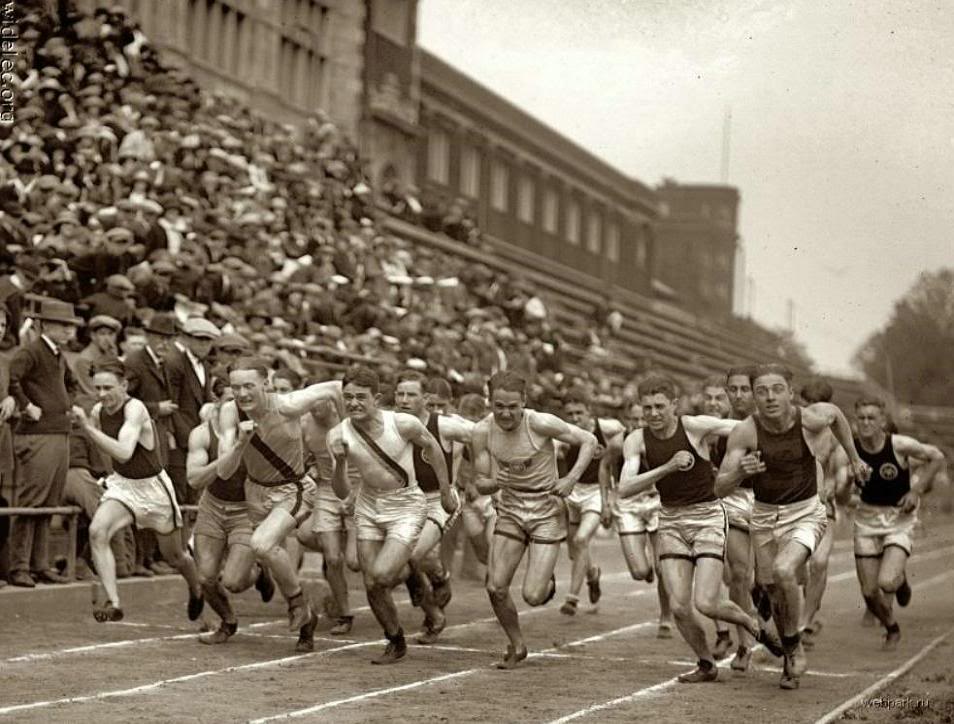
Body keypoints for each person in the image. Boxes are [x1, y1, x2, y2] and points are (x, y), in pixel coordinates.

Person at [618, 374, 779, 684]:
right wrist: (667, 467)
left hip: (707, 518)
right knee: (679, 607)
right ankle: (706, 663)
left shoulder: (694, 426)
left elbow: (742, 428)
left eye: (660, 406)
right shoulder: (636, 440)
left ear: (674, 405)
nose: (653, 414)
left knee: (706, 602)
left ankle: (750, 624)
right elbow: (625, 488)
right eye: (647, 408)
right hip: (671, 521)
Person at [716, 363, 868, 690]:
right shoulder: (745, 432)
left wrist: (854, 458)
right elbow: (719, 488)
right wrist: (741, 471)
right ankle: (788, 649)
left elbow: (836, 415)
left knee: (785, 571)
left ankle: (794, 645)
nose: (770, 397)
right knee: (772, 590)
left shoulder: (809, 419)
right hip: (764, 516)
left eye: (777, 390)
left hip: (805, 512)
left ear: (790, 392)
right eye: (762, 391)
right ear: (754, 396)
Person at [326, 365, 456, 664]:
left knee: (382, 576)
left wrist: (446, 491)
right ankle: (395, 639)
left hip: (406, 505)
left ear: (376, 398)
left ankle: (416, 579)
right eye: (348, 397)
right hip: (369, 506)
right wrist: (340, 461)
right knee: (371, 582)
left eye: (361, 397)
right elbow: (342, 491)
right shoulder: (338, 434)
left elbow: (433, 448)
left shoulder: (402, 424)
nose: (354, 403)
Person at [471, 370, 598, 669]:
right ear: (490, 402)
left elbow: (589, 441)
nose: (505, 413)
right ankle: (517, 645)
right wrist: (495, 483)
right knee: (495, 587)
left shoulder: (540, 423)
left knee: (533, 595)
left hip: (546, 510)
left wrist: (570, 479)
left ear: (524, 402)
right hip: (511, 509)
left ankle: (545, 578)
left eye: (512, 406)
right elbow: (480, 482)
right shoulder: (482, 431)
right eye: (499, 406)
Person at [216, 357, 342, 652]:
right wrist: (240, 443)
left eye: (249, 386)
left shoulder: (288, 405)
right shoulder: (229, 412)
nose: (243, 393)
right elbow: (223, 470)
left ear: (266, 384)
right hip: (255, 493)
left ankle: (297, 603)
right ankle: (306, 617)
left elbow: (336, 387)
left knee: (262, 544)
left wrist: (346, 430)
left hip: (292, 489)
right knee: (233, 582)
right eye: (236, 387)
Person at [71, 358, 203, 621]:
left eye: (108, 388)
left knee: (175, 556)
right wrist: (110, 476)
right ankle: (113, 602)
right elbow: (107, 450)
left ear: (124, 385)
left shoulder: (136, 409)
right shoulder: (97, 411)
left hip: (153, 488)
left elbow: (123, 451)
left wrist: (86, 428)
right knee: (98, 531)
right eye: (97, 388)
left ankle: (196, 588)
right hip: (124, 486)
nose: (102, 394)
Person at [838, 396, 944, 650]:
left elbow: (937, 457)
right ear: (855, 421)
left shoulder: (899, 445)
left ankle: (898, 579)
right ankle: (891, 627)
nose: (865, 423)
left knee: (886, 582)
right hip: (866, 520)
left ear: (882, 421)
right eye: (861, 418)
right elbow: (841, 499)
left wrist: (916, 490)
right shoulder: (849, 451)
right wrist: (848, 480)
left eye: (871, 418)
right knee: (868, 592)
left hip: (898, 519)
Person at [187, 379, 274, 645]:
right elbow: (194, 479)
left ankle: (259, 571)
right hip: (212, 506)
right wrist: (232, 453)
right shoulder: (202, 434)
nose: (236, 407)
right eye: (230, 400)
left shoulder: (262, 431)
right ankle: (228, 621)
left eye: (242, 400)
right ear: (216, 403)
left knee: (233, 582)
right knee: (205, 577)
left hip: (246, 510)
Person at [7, 299, 82, 587]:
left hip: (57, 432)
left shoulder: (56, 353)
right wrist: (27, 406)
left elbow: (72, 384)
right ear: (44, 325)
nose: (67, 330)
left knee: (48, 503)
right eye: (61, 325)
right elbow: (12, 378)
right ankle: (19, 566)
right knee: (32, 502)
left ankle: (39, 564)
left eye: (69, 325)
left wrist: (66, 404)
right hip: (37, 435)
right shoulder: (32, 351)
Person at [393, 370, 471, 644]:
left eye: (411, 394)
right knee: (414, 560)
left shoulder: (446, 426)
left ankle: (433, 615)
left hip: (440, 499)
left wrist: (491, 473)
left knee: (411, 556)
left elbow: (485, 435)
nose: (404, 400)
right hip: (405, 501)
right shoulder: (391, 423)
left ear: (424, 398)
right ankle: (440, 577)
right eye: (400, 394)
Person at [603, 399, 673, 638]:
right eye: (634, 419)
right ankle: (646, 569)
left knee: (663, 567)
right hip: (629, 504)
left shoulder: (663, 438)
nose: (639, 423)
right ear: (626, 420)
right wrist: (606, 500)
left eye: (642, 419)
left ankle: (666, 617)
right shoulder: (618, 442)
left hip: (657, 501)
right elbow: (605, 467)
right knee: (639, 572)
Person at [557, 387, 623, 616]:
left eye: (579, 413)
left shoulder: (606, 427)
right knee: (574, 551)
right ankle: (592, 573)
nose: (575, 418)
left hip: (597, 491)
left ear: (589, 411)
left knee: (581, 538)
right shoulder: (563, 432)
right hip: (573, 492)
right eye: (570, 414)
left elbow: (624, 433)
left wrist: (615, 457)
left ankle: (572, 599)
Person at [298, 396, 360, 637]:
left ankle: (407, 570)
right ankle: (345, 614)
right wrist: (310, 471)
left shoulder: (351, 421)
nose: (313, 408)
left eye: (318, 404)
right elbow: (303, 459)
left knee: (354, 562)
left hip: (358, 488)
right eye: (310, 403)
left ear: (332, 403)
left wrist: (356, 496)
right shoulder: (305, 423)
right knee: (332, 558)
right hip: (326, 488)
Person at [796, 378, 844, 649]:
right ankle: (803, 610)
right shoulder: (789, 427)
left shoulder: (834, 435)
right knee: (796, 570)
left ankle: (805, 622)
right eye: (806, 405)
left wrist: (832, 485)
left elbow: (840, 471)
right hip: (790, 505)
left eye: (816, 405)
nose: (811, 411)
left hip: (822, 506)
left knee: (819, 562)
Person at [699, 375, 742, 662]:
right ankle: (723, 632)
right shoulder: (697, 429)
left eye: (719, 398)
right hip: (706, 508)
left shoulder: (737, 431)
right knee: (712, 570)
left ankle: (749, 629)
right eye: (709, 397)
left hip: (739, 504)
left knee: (739, 575)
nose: (713, 403)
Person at [456, 393, 496, 567]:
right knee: (482, 552)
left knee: (494, 546)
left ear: (481, 416)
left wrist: (475, 483)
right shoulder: (458, 435)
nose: (467, 425)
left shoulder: (491, 434)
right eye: (463, 419)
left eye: (471, 419)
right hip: (468, 498)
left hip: (492, 496)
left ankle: (497, 578)